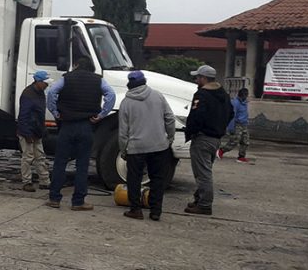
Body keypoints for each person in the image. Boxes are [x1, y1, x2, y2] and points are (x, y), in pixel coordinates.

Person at [45, 57, 116, 210]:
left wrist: (55, 112)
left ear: (76, 65)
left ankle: (54, 198)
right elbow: (111, 95)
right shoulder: (99, 80)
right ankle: (78, 202)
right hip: (86, 125)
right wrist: (102, 114)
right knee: (82, 165)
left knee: (60, 162)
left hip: (67, 125)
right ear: (91, 67)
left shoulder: (66, 79)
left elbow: (51, 92)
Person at [117, 71, 176, 221]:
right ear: (144, 81)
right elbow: (170, 118)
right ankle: (156, 211)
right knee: (157, 178)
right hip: (159, 146)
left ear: (129, 83)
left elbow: (123, 132)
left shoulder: (126, 103)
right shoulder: (158, 96)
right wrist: (169, 138)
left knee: (134, 179)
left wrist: (124, 150)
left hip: (136, 148)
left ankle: (135, 210)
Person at [184, 65, 232, 215]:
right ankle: (198, 199)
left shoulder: (202, 95)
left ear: (204, 78)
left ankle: (204, 205)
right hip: (216, 138)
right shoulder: (223, 94)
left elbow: (196, 117)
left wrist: (190, 132)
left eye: (198, 77)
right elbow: (231, 113)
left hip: (202, 138)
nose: (196, 80)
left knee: (203, 173)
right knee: (205, 170)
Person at [16, 70, 52, 192]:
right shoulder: (28, 94)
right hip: (29, 131)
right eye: (45, 83)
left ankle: (45, 181)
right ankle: (27, 182)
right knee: (28, 157)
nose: (47, 85)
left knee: (40, 156)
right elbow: (23, 116)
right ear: (38, 81)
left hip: (36, 130)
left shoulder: (38, 92)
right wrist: (27, 134)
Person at [218, 88, 250, 163]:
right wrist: (231, 128)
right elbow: (232, 116)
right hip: (237, 124)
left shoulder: (245, 102)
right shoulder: (235, 103)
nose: (245, 97)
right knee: (235, 140)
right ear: (241, 95)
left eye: (246, 95)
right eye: (244, 95)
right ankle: (221, 150)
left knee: (245, 141)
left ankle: (241, 156)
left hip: (244, 124)